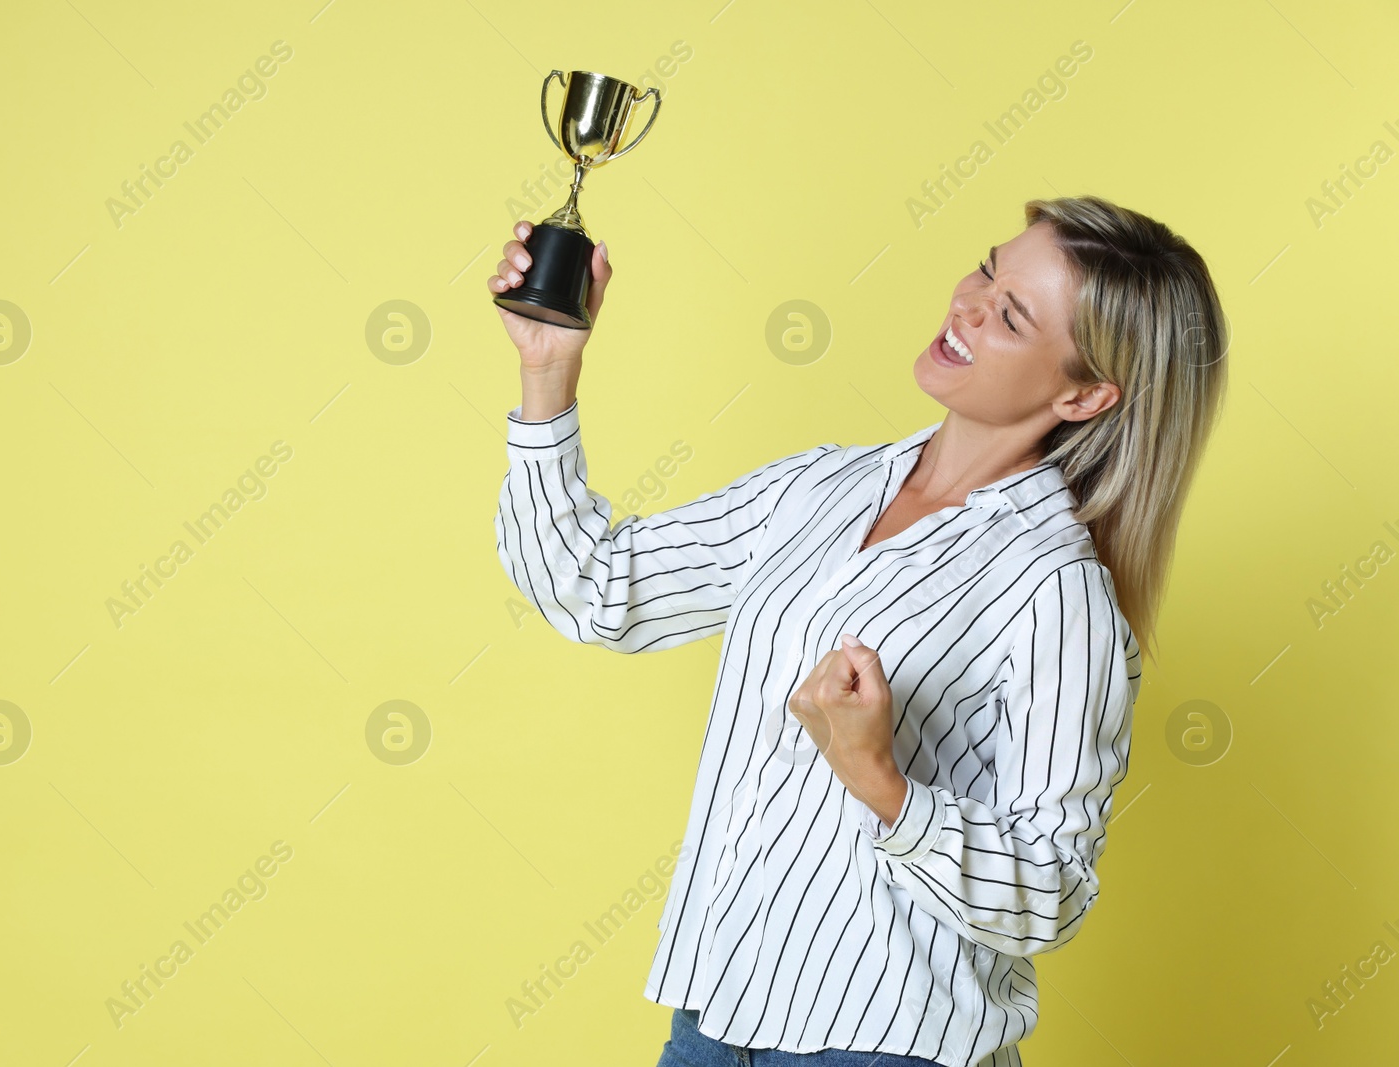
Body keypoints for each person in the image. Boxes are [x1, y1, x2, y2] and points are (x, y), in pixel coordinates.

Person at [487, 195, 1228, 1067]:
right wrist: (548, 371)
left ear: (1086, 392)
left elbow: (1052, 891)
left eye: (1013, 314)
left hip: (886, 1049)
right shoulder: (818, 489)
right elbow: (594, 588)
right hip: (712, 1025)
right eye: (987, 270)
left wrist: (883, 782)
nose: (969, 305)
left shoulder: (1055, 592)